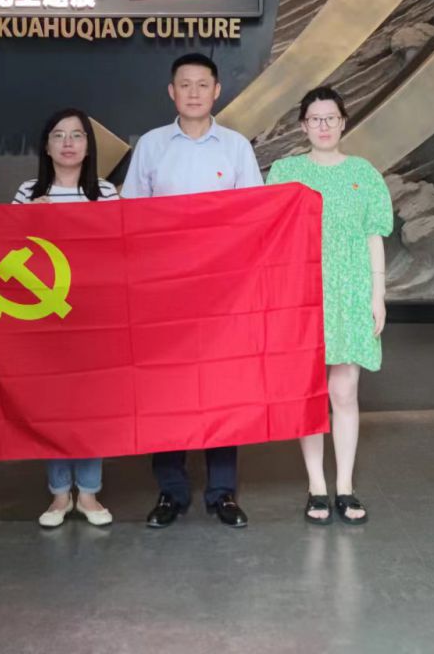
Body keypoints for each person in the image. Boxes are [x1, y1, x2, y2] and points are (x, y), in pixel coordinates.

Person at [121, 53, 263, 529]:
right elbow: (131, 216)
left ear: (217, 91)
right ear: (172, 92)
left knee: (223, 389)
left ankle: (223, 493)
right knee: (167, 389)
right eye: (185, 84)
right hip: (164, 291)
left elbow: (254, 216)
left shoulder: (236, 147)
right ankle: (171, 491)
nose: (195, 92)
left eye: (203, 84)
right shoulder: (151, 146)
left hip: (224, 292)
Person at [265, 86, 392, 526]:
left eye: (331, 118)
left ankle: (345, 486)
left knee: (344, 391)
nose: (323, 126)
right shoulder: (286, 172)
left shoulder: (363, 173)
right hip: (303, 294)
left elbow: (374, 235)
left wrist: (377, 295)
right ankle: (316, 486)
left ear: (343, 122)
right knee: (310, 394)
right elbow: (272, 234)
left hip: (352, 292)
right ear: (303, 126)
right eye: (315, 119)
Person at [12, 108, 119, 528]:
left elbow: (119, 251)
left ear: (89, 145)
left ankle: (89, 492)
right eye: (58, 135)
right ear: (46, 145)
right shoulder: (27, 192)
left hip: (92, 317)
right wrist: (26, 221)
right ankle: (59, 494)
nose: (68, 143)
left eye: (76, 135)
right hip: (45, 318)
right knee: (52, 405)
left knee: (91, 404)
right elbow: (3, 251)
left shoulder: (105, 193)